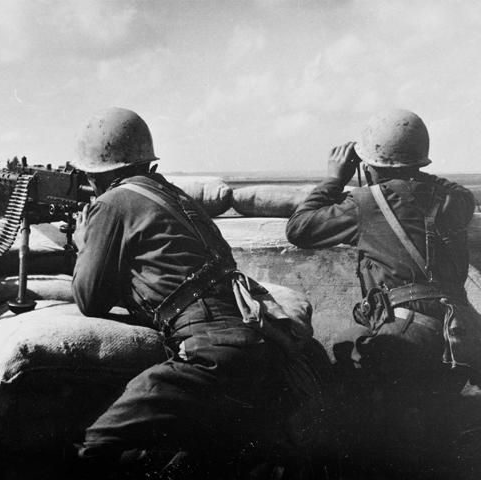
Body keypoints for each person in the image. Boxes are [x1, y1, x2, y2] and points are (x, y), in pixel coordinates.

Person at [69, 107, 333, 479]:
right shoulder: (177, 197)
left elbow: (88, 299)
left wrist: (85, 243)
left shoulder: (112, 203)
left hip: (212, 354)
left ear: (99, 173)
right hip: (259, 346)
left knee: (95, 446)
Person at [285, 108, 476, 475]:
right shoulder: (455, 201)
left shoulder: (367, 203)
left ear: (369, 165)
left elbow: (299, 228)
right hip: (460, 338)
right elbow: (454, 190)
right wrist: (413, 173)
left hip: (406, 340)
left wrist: (334, 180)